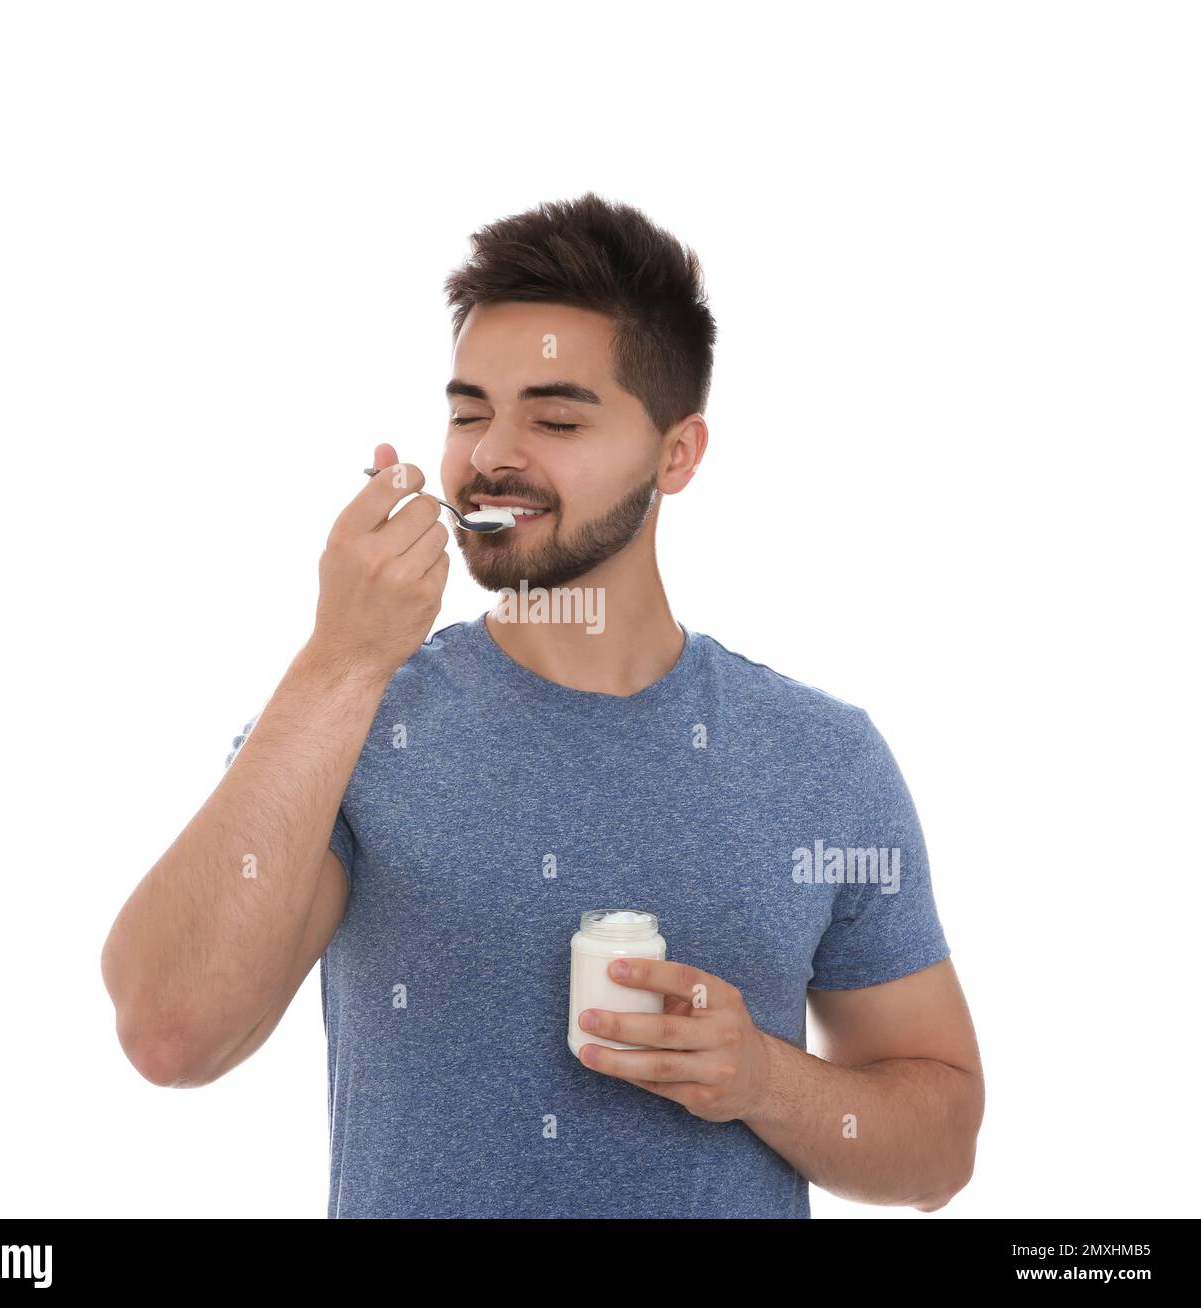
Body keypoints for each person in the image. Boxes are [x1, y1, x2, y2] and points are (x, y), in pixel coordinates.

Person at [101, 192, 984, 1219]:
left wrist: (763, 1081)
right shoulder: (355, 718)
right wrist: (340, 657)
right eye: (470, 411)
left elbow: (939, 1152)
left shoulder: (822, 760)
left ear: (677, 455)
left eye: (555, 417)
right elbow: (169, 1030)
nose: (491, 454)